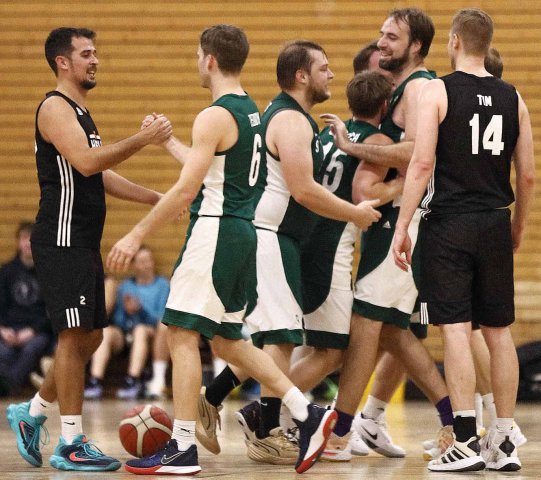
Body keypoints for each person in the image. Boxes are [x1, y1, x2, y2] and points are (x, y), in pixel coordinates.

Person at [107, 25, 341, 476]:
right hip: (241, 233)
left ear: (210, 60)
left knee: (179, 334)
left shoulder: (214, 115)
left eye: (199, 56)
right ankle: (305, 411)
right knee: (228, 340)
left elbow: (186, 190)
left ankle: (181, 447)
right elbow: (219, 173)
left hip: (214, 234)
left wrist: (135, 234)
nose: (198, 63)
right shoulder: (252, 111)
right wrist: (169, 143)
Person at [193, 39, 381, 466]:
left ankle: (232, 407)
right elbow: (304, 190)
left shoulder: (288, 116)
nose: (331, 75)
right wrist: (355, 213)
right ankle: (263, 428)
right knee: (277, 337)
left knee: (273, 338)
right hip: (270, 234)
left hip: (275, 236)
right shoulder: (292, 120)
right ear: (301, 75)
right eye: (323, 68)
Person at [6, 27, 172, 472]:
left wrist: (155, 198)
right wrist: (142, 139)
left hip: (82, 242)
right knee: (73, 336)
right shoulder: (54, 108)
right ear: (63, 62)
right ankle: (70, 442)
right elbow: (86, 162)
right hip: (61, 240)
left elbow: (98, 174)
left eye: (95, 52)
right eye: (86, 53)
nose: (95, 60)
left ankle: (32, 413)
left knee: (91, 337)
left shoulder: (81, 113)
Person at [393, 8, 534, 472]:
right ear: (487, 43)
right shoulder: (513, 97)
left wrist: (402, 225)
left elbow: (421, 163)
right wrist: (518, 225)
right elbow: (527, 176)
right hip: (494, 221)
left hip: (450, 222)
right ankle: (504, 439)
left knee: (455, 328)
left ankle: (466, 439)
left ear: (454, 40)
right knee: (498, 331)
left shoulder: (437, 90)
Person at [321, 8, 453, 457]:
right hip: (397, 219)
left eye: (392, 37)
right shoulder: (405, 86)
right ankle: (456, 421)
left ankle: (340, 432)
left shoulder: (418, 88)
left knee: (365, 325)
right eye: (381, 34)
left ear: (416, 45)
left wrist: (351, 145)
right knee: (395, 331)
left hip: (404, 220)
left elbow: (418, 150)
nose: (381, 42)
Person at [84, 246, 169, 400]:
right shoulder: (125, 286)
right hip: (126, 333)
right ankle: (95, 380)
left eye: (148, 261)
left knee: (140, 330)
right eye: (141, 262)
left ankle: (132, 380)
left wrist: (140, 310)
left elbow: (161, 319)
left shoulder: (162, 285)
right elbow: (118, 320)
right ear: (133, 265)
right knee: (106, 331)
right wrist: (127, 312)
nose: (146, 265)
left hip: (151, 335)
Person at [0, 222, 52, 396]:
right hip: (8, 328)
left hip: (37, 331)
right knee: (4, 352)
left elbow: (51, 312)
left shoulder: (48, 272)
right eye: (24, 238)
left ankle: (7, 386)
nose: (28, 243)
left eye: (32, 239)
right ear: (18, 242)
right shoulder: (6, 271)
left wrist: (32, 330)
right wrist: (3, 329)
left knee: (31, 349)